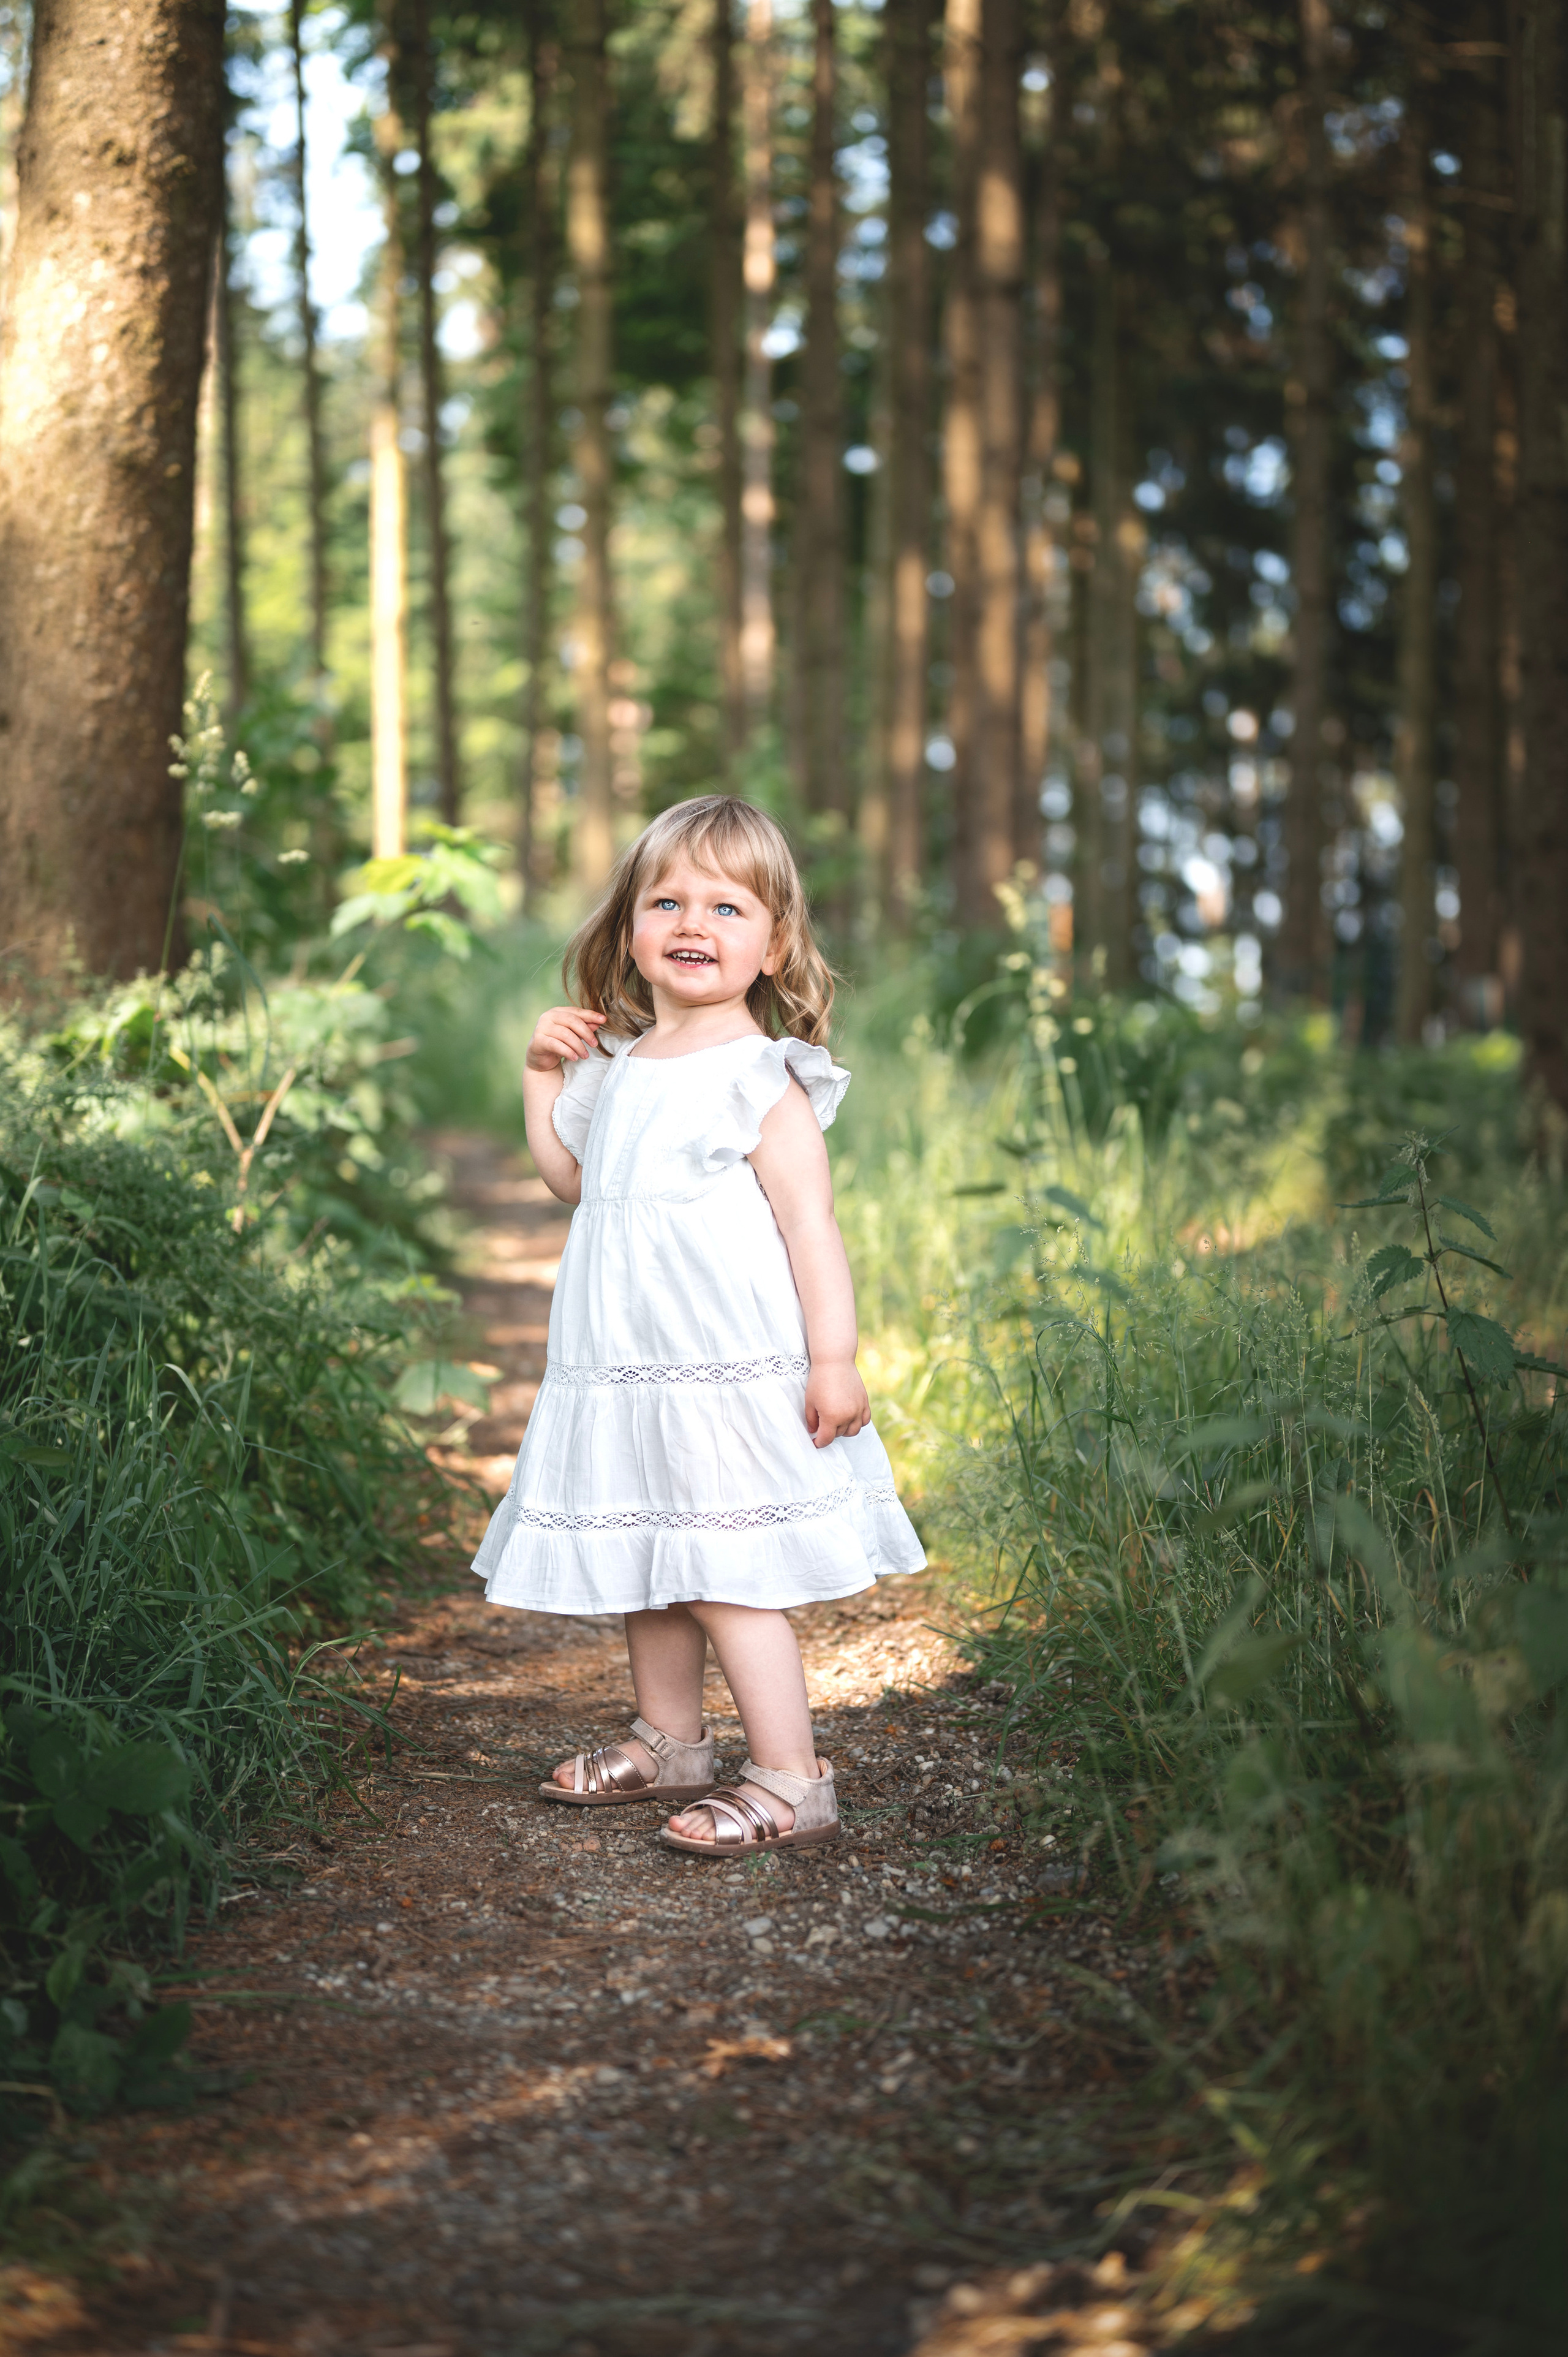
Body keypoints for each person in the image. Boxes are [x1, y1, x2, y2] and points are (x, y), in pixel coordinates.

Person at [472, 795, 925, 1856]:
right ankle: (671, 1741)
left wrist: (836, 1360)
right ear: (629, 926)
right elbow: (575, 1186)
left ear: (775, 947)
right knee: (648, 1555)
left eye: (729, 908)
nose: (694, 921)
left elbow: (813, 1229)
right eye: (668, 899)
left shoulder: (764, 1079)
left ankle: (791, 1777)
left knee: (726, 1572)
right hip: (625, 1367)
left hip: (725, 1370)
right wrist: (543, 1082)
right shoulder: (616, 1068)